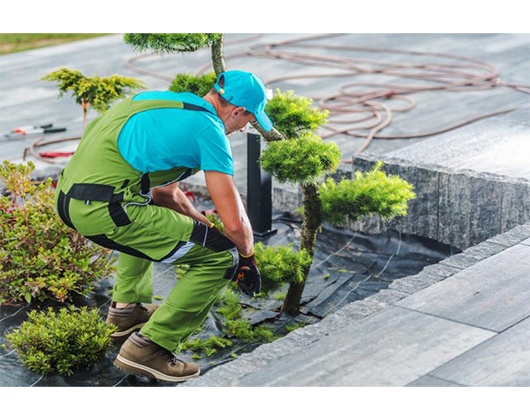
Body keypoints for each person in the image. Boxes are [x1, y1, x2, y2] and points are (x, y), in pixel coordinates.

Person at [54, 69, 273, 382]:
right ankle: (150, 348)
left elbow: (165, 194)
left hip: (70, 198)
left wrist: (204, 228)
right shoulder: (208, 131)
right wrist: (246, 258)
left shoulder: (160, 101)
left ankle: (125, 312)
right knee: (222, 257)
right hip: (105, 209)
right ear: (237, 111)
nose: (242, 130)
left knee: (149, 209)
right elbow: (236, 225)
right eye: (249, 121)